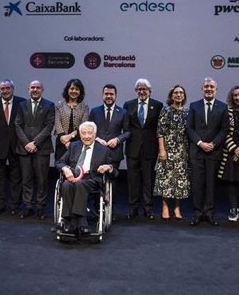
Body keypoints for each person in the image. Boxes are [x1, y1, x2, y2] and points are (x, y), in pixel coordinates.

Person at [55, 121, 116, 235]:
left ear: (95, 134)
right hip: (73, 176)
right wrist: (65, 169)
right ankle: (69, 221)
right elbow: (59, 162)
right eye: (84, 133)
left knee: (80, 184)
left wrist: (108, 167)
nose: (87, 136)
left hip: (92, 179)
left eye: (89, 133)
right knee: (66, 185)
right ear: (80, 134)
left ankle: (81, 221)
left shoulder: (103, 150)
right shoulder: (74, 146)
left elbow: (115, 172)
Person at [187, 77, 229, 226]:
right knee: (197, 184)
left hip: (214, 151)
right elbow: (189, 128)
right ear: (202, 89)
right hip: (197, 152)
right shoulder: (194, 106)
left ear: (216, 89)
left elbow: (224, 129)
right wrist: (200, 143)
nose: (209, 89)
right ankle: (198, 213)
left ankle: (210, 213)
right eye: (206, 87)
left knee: (211, 184)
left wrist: (213, 143)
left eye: (211, 87)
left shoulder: (223, 107)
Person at [0, 79, 26, 215]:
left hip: (17, 146)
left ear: (13, 89)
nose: (5, 91)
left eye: (8, 88)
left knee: (16, 178)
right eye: (2, 89)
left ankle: (14, 206)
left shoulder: (22, 103)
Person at [14, 80, 55, 219]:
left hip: (42, 148)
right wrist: (27, 143)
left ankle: (40, 207)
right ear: (28, 89)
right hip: (24, 148)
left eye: (38, 87)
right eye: (32, 87)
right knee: (26, 179)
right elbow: (18, 125)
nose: (35, 89)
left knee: (42, 180)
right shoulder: (22, 105)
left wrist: (35, 143)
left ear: (42, 90)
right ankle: (28, 206)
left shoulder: (49, 105)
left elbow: (49, 126)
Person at [123, 78, 163, 220]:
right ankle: (133, 208)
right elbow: (126, 126)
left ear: (150, 91)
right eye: (139, 89)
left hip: (150, 148)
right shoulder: (128, 105)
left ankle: (148, 208)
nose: (142, 91)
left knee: (148, 179)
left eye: (144, 89)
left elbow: (160, 128)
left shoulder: (158, 105)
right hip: (132, 148)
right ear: (136, 91)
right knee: (132, 180)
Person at [89, 84, 130, 215]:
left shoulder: (123, 112)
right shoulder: (95, 111)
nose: (109, 96)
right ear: (103, 95)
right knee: (97, 181)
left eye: (111, 94)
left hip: (114, 153)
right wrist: (96, 139)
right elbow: (89, 130)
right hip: (97, 153)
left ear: (115, 96)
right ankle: (97, 211)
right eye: (106, 94)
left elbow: (127, 132)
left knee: (112, 184)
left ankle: (109, 212)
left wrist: (117, 139)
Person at [154, 85, 191, 221]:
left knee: (179, 180)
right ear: (172, 95)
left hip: (182, 151)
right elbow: (160, 132)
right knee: (166, 180)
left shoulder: (187, 112)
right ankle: (164, 207)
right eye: (176, 93)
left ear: (184, 96)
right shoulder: (166, 110)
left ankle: (177, 207)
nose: (178, 95)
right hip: (167, 150)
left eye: (181, 92)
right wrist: (162, 150)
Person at [218, 85, 239, 223]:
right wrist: (234, 149)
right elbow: (224, 132)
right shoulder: (227, 112)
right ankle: (233, 209)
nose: (238, 97)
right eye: (235, 95)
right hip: (230, 153)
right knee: (231, 181)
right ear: (232, 98)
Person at [54, 78, 89, 162]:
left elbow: (83, 125)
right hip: (61, 141)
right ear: (67, 90)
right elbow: (57, 123)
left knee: (76, 167)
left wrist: (70, 136)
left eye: (77, 89)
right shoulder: (59, 105)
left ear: (80, 91)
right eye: (72, 88)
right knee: (61, 165)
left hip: (77, 141)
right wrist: (65, 141)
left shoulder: (84, 107)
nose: (74, 91)